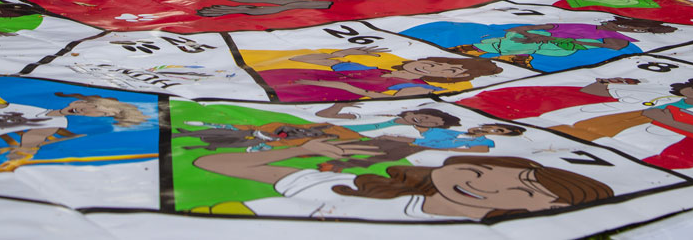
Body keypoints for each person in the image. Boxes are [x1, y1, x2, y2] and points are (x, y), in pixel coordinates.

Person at [194, 141, 613, 221]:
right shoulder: (347, 186)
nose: (483, 185)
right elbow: (218, 165)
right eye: (483, 170)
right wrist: (299, 151)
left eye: (523, 191)